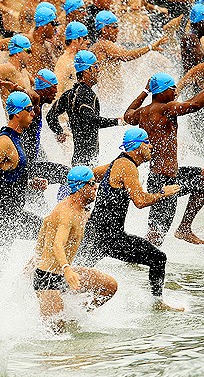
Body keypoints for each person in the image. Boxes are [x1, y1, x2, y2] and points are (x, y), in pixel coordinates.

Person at [76, 128, 183, 311]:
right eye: (147, 142)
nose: (151, 146)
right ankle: (157, 304)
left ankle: (75, 310)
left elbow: (91, 174)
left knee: (74, 273)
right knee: (158, 258)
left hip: (98, 234)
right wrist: (163, 193)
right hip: (109, 237)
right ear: (138, 146)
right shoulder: (127, 166)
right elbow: (140, 201)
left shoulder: (118, 163)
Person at [32, 166, 118, 332]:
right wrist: (66, 269)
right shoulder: (67, 212)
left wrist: (36, 255)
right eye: (92, 183)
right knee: (57, 335)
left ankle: (76, 315)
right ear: (80, 187)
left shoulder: (80, 209)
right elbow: (58, 244)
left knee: (109, 287)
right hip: (48, 279)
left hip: (65, 273)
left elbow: (46, 223)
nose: (96, 187)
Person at [124, 73, 204, 245]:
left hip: (164, 176)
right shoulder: (165, 108)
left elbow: (127, 115)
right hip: (164, 181)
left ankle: (184, 228)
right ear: (161, 92)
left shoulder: (142, 112)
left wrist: (145, 91)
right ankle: (138, 258)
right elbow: (195, 104)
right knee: (155, 237)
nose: (176, 91)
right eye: (172, 87)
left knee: (203, 178)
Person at [0, 92, 43, 250]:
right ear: (18, 113)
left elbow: (9, 175)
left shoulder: (16, 137)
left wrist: (29, 183)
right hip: (3, 216)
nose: (33, 113)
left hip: (15, 215)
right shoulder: (5, 142)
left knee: (48, 232)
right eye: (29, 109)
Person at [47, 50, 121, 167]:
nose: (98, 70)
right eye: (95, 66)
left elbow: (50, 116)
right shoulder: (86, 95)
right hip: (87, 161)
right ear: (87, 70)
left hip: (78, 158)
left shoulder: (69, 95)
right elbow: (91, 120)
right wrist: (118, 121)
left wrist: (59, 132)